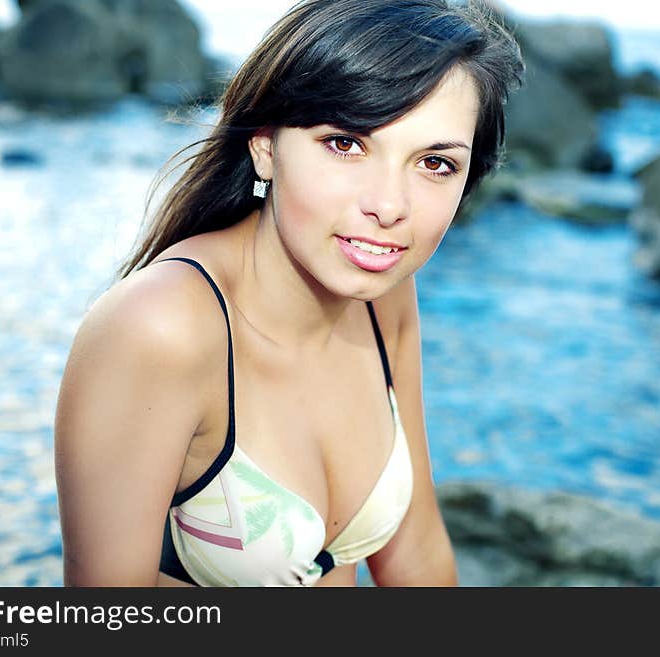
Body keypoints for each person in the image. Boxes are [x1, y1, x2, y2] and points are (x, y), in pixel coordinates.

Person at [54, 0, 522, 587]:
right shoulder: (159, 327)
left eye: (434, 163)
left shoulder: (384, 298)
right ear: (265, 145)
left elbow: (418, 553)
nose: (389, 206)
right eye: (346, 144)